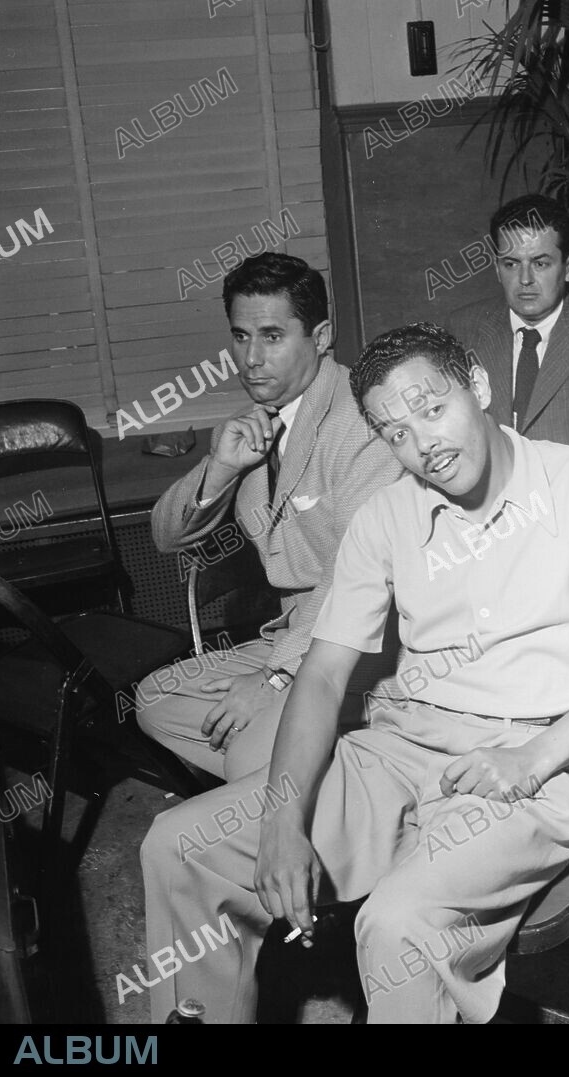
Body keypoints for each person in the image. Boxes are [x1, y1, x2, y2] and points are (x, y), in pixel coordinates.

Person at [140, 322, 569, 1023]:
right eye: (394, 431)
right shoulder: (384, 517)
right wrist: (280, 821)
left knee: (395, 924)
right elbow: (325, 674)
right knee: (179, 844)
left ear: (478, 387)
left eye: (432, 408)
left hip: (539, 762)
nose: (422, 442)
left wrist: (533, 756)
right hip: (398, 746)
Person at [136, 253, 403, 782]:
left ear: (321, 336)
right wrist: (221, 466)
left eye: (272, 336)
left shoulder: (367, 422)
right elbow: (165, 536)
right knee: (154, 699)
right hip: (291, 635)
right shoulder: (254, 423)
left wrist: (273, 677)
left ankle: (295, 783)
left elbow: (353, 578)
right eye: (240, 337)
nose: (251, 358)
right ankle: (327, 775)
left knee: (252, 752)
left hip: (363, 647)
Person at [443, 194, 569, 462]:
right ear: (497, 269)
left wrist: (543, 477)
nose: (525, 279)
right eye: (511, 264)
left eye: (540, 264)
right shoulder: (462, 328)